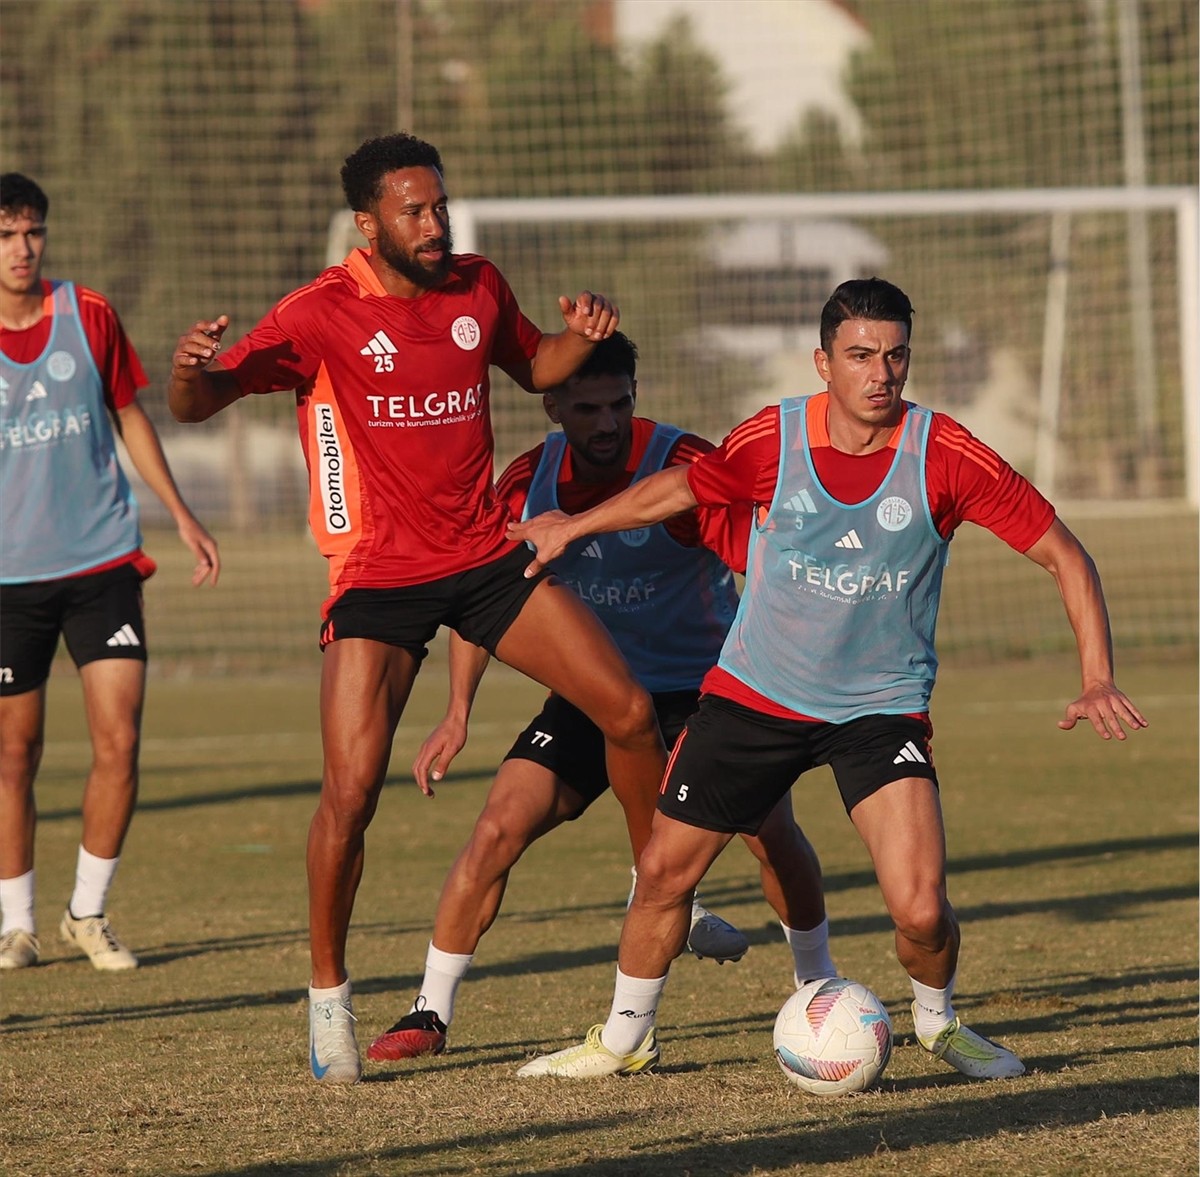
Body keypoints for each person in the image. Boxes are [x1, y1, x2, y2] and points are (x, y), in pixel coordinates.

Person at [167, 133, 739, 1085]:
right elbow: (199, 403)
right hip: (381, 576)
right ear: (368, 223)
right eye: (414, 211)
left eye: (440, 206)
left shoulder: (478, 286)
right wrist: (190, 367)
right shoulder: (319, 313)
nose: (436, 225)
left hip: (482, 556)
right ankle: (328, 1003)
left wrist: (584, 336)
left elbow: (539, 365)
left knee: (631, 711)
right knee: (350, 795)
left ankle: (657, 896)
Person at [508, 277, 1148, 1080]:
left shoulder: (944, 453)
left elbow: (1065, 552)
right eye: (859, 355)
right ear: (824, 362)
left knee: (920, 911)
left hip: (879, 709)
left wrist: (1097, 675)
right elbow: (681, 488)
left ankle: (938, 1022)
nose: (881, 372)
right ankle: (624, 1039)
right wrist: (576, 524)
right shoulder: (772, 437)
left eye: (895, 354)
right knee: (665, 872)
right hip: (755, 694)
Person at [365, 332, 835, 1064]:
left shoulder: (681, 466)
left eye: (621, 403)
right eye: (588, 408)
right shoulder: (526, 483)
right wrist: (457, 710)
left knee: (770, 830)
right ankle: (430, 1009)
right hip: (594, 698)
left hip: (704, 692)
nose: (608, 422)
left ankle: (819, 988)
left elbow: (762, 555)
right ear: (552, 404)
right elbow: (487, 597)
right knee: (496, 827)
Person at [0, 173, 220, 974]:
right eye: (6, 234)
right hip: (8, 581)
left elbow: (130, 412)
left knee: (119, 742)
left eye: (32, 232)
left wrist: (184, 514)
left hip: (102, 561)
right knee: (14, 754)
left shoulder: (87, 314)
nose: (22, 248)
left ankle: (86, 912)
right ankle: (14, 922)